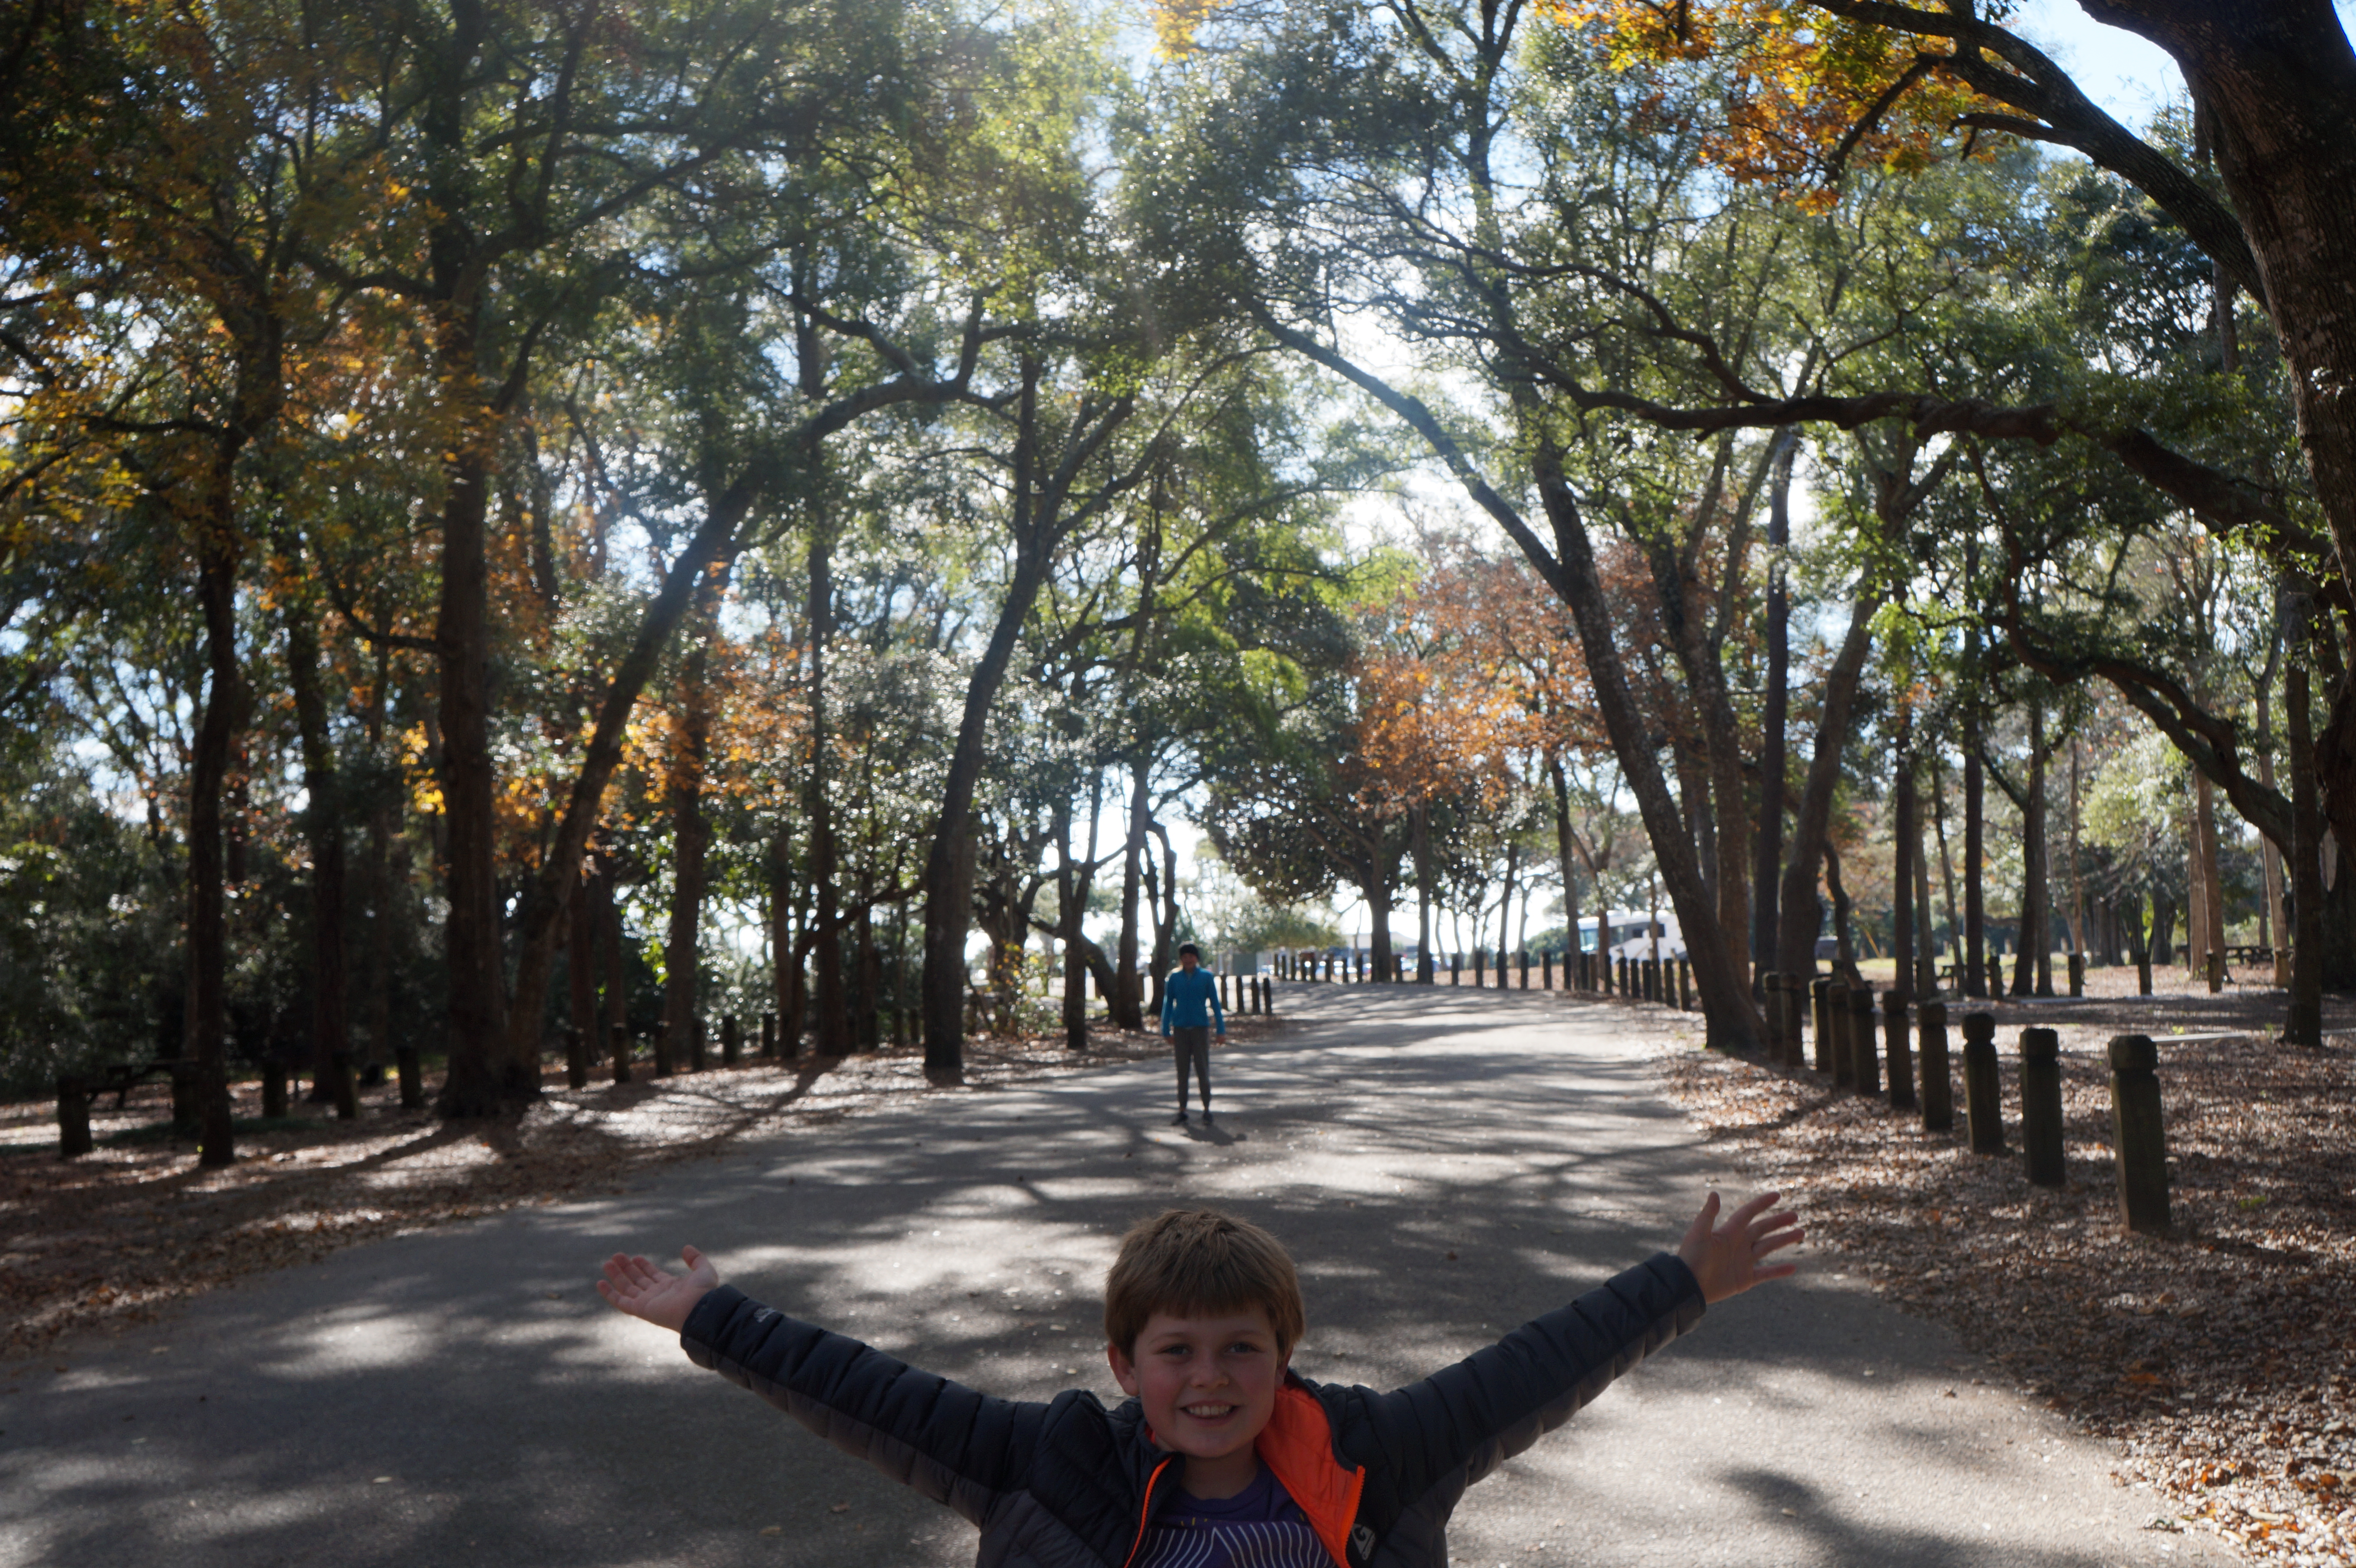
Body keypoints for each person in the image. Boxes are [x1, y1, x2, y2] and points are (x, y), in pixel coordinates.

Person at [596, 1191, 1803, 1568]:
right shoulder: (1051, 1463)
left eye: (1243, 1350)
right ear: (1126, 1365)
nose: (1211, 1378)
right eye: (1177, 1351)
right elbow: (871, 1394)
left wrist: (1678, 1284)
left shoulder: (1377, 1455)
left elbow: (1531, 1371)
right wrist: (716, 1316)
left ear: (1287, 1358)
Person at [1160, 941, 1224, 1126]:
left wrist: (1221, 1029)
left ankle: (1206, 1109)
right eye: (1184, 957)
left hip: (1200, 1029)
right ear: (1181, 959)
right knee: (1183, 1072)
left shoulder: (1206, 977)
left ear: (1196, 958)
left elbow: (1215, 1004)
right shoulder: (1174, 978)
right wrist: (1165, 1029)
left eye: (1191, 956)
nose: (1188, 960)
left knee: (1203, 1070)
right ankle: (1182, 1110)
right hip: (1180, 1030)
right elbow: (1168, 1003)